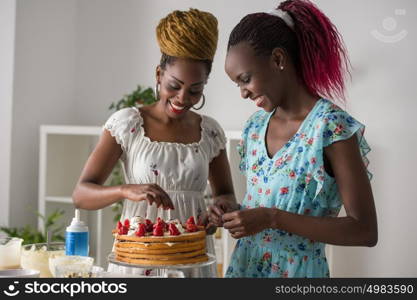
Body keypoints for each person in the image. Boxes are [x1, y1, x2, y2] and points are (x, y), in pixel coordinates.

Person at [208, 0, 377, 278]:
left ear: (278, 59)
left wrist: (272, 218)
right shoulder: (254, 127)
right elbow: (264, 204)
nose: (243, 93)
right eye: (237, 84)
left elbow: (365, 230)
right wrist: (235, 213)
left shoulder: (331, 129)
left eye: (245, 79)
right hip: (244, 268)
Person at [72, 8, 237, 277]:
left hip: (192, 259)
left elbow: (226, 194)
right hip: (137, 262)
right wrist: (126, 190)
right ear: (159, 74)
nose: (183, 98)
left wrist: (220, 210)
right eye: (175, 85)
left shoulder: (210, 132)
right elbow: (81, 195)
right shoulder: (128, 124)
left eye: (195, 90)